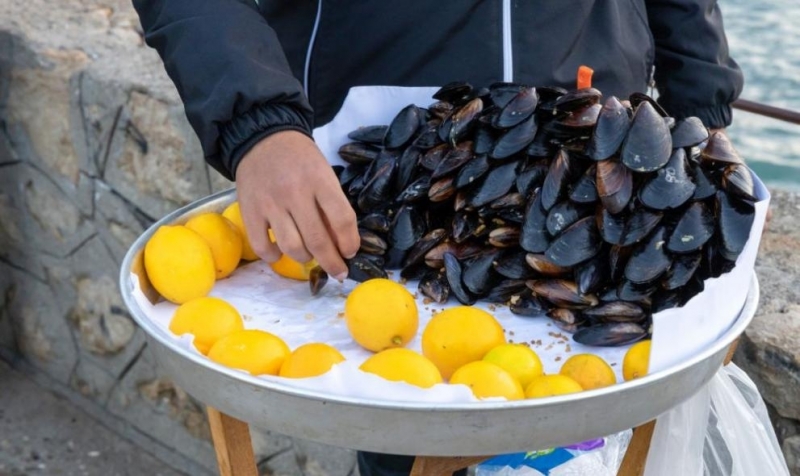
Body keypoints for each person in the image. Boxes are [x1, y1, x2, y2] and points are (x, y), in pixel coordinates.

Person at [132, 1, 743, 474]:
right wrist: (258, 125)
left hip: (587, 185)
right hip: (383, 173)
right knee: (404, 440)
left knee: (585, 448)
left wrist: (703, 117)